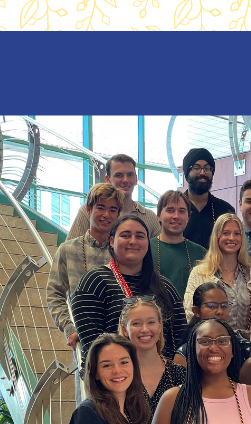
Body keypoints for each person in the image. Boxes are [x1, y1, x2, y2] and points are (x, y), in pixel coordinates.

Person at [71, 215, 186, 364]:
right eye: (125, 235)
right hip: (116, 377)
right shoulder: (94, 282)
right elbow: (93, 345)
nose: (133, 241)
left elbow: (181, 338)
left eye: (140, 236)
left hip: (165, 377)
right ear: (112, 241)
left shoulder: (165, 286)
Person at [48, 184, 124, 351]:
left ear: (118, 215)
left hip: (120, 339)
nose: (106, 215)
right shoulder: (67, 249)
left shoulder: (123, 252)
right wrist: (69, 328)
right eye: (101, 208)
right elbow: (54, 294)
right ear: (88, 210)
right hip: (84, 339)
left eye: (112, 210)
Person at [183, 213, 251, 343]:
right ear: (216, 236)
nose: (231, 238)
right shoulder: (199, 273)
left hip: (247, 349)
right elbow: (190, 313)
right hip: (210, 346)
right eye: (225, 233)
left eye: (237, 233)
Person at [67, 154, 162, 241]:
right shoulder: (89, 211)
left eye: (130, 175)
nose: (125, 180)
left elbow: (159, 253)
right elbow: (70, 248)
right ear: (108, 180)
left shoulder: (149, 217)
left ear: (136, 179)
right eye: (119, 175)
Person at [175, 282, 251, 366]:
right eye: (212, 306)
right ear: (196, 311)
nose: (220, 311)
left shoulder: (244, 348)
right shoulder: (185, 354)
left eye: (224, 306)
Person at [152, 190, 207, 299]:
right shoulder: (144, 249)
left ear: (188, 218)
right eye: (170, 210)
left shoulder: (201, 254)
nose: (176, 216)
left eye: (182, 211)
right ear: (158, 215)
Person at [180, 148, 237, 250]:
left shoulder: (225, 210)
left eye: (207, 168)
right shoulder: (177, 208)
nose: (202, 173)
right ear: (187, 173)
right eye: (196, 168)